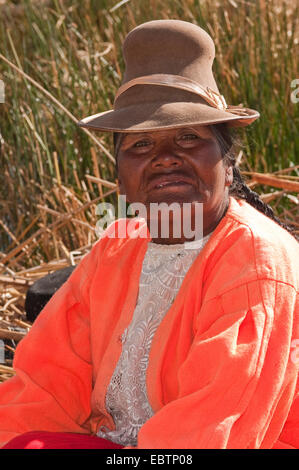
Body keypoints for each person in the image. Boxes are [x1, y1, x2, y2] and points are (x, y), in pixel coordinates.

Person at [0, 19, 298, 450]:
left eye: (188, 137)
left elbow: (212, 432)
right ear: (120, 176)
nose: (164, 158)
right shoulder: (116, 247)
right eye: (140, 144)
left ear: (228, 163)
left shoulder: (256, 263)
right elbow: (43, 389)